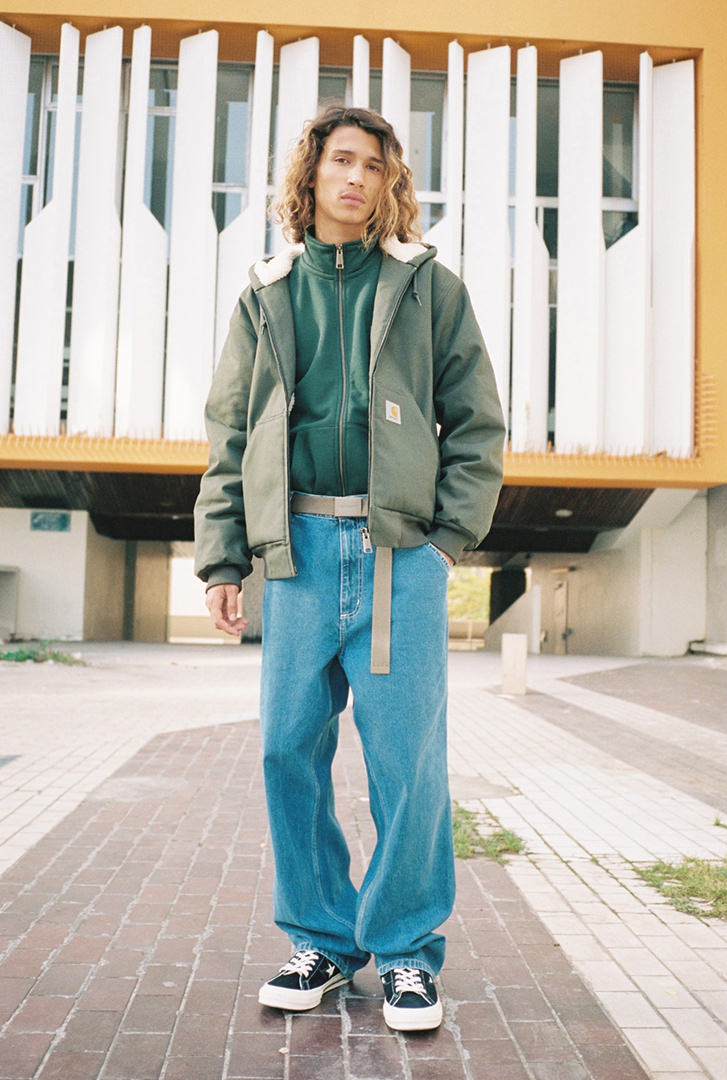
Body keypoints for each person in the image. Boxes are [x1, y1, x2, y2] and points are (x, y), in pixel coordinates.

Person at [194, 105, 505, 1032]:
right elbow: (230, 433)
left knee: (406, 759)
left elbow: (477, 425)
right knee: (287, 749)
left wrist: (445, 541)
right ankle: (323, 942)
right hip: (294, 551)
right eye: (341, 160)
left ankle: (406, 954)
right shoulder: (267, 293)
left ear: (388, 183)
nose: (356, 177)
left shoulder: (428, 288)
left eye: (374, 164)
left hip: (399, 554)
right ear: (312, 174)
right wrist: (223, 555)